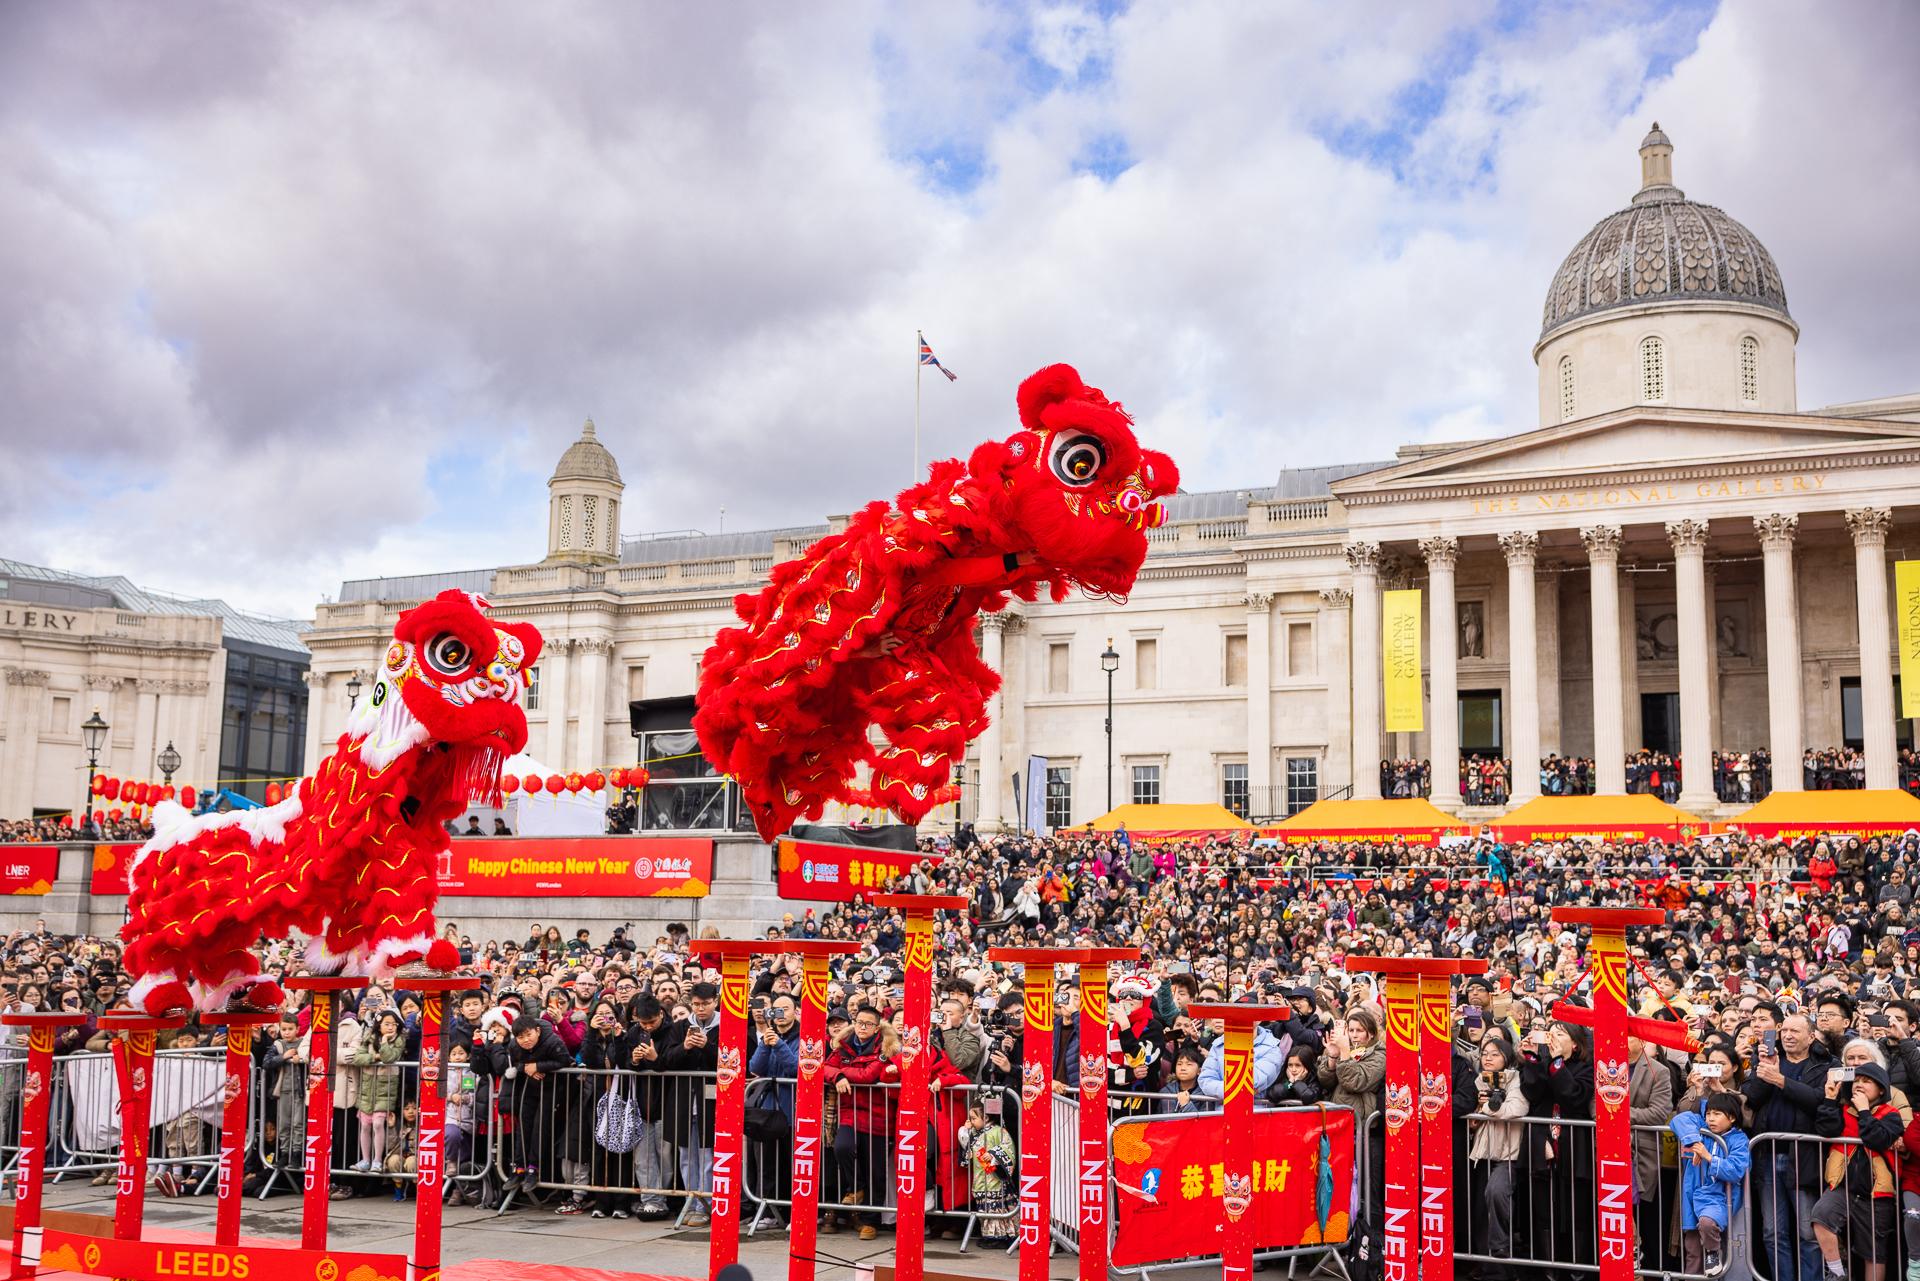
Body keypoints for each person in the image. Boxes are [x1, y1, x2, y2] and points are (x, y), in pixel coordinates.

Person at [1746, 1012, 1831, 1281]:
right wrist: (1765, 1070)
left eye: (1796, 1031)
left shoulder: (1823, 1066)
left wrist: (1781, 1080)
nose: (1789, 1036)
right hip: (1766, 1156)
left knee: (1808, 1232)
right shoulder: (1772, 1060)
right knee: (1773, 1232)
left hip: (1803, 1158)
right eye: (1785, 1032)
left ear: (1811, 1036)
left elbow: (1820, 1102)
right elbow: (1752, 1098)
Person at [1811, 1061, 1903, 1280]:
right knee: (1821, 1216)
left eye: (1867, 1081)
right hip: (1842, 1186)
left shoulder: (1891, 1114)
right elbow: (1826, 1129)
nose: (1859, 1085)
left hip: (1877, 1193)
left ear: (1881, 1089)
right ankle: (1837, 1273)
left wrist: (1864, 1111)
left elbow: (1876, 1139)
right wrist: (1830, 1099)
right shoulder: (1843, 1110)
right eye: (1856, 1081)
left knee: (1873, 1252)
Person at [822, 1005, 900, 1242]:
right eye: (858, 1022)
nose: (862, 1028)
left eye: (867, 1024)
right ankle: (856, 1188)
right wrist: (837, 1076)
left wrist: (842, 1072)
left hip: (878, 1116)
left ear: (877, 1027)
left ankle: (870, 1221)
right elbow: (824, 1067)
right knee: (842, 1148)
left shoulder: (887, 1048)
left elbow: (869, 1075)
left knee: (876, 1170)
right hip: (849, 1112)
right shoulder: (843, 1044)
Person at [658, 981, 721, 1227]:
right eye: (696, 1004)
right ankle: (691, 1200)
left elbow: (730, 1059)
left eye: (705, 1004)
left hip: (711, 1100)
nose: (701, 1009)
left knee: (708, 1155)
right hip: (684, 1100)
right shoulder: (681, 1027)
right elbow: (666, 1060)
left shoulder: (725, 1025)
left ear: (715, 1001)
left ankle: (707, 1203)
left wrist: (708, 1047)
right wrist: (684, 1047)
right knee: (686, 1155)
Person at [1673, 1092, 1751, 1274]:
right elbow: (1680, 1119)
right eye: (1708, 1113)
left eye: (1717, 1114)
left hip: (1718, 1197)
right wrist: (1694, 1141)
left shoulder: (1739, 1140)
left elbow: (1735, 1170)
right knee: (1692, 1248)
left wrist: (1708, 1156)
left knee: (1708, 1225)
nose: (1710, 1119)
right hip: (1693, 1194)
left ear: (1731, 1117)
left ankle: (1713, 1252)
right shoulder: (1702, 1129)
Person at [959, 1096, 1017, 1244]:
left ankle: (1001, 1236)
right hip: (980, 1177)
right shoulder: (973, 1133)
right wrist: (964, 1130)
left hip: (995, 1178)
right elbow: (966, 1146)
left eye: (973, 1118)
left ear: (985, 1117)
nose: (971, 1121)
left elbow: (1008, 1148)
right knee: (984, 1206)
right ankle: (989, 1235)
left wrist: (993, 1155)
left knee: (997, 1205)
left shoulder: (999, 1131)